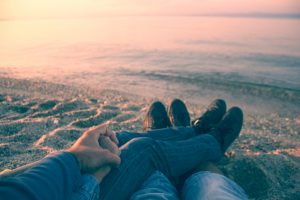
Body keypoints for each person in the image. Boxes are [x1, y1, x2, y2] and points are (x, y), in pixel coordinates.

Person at [0, 99, 247, 200]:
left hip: (59, 181)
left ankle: (192, 131)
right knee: (143, 148)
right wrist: (85, 171)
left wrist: (72, 156)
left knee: (120, 137)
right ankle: (211, 141)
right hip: (77, 189)